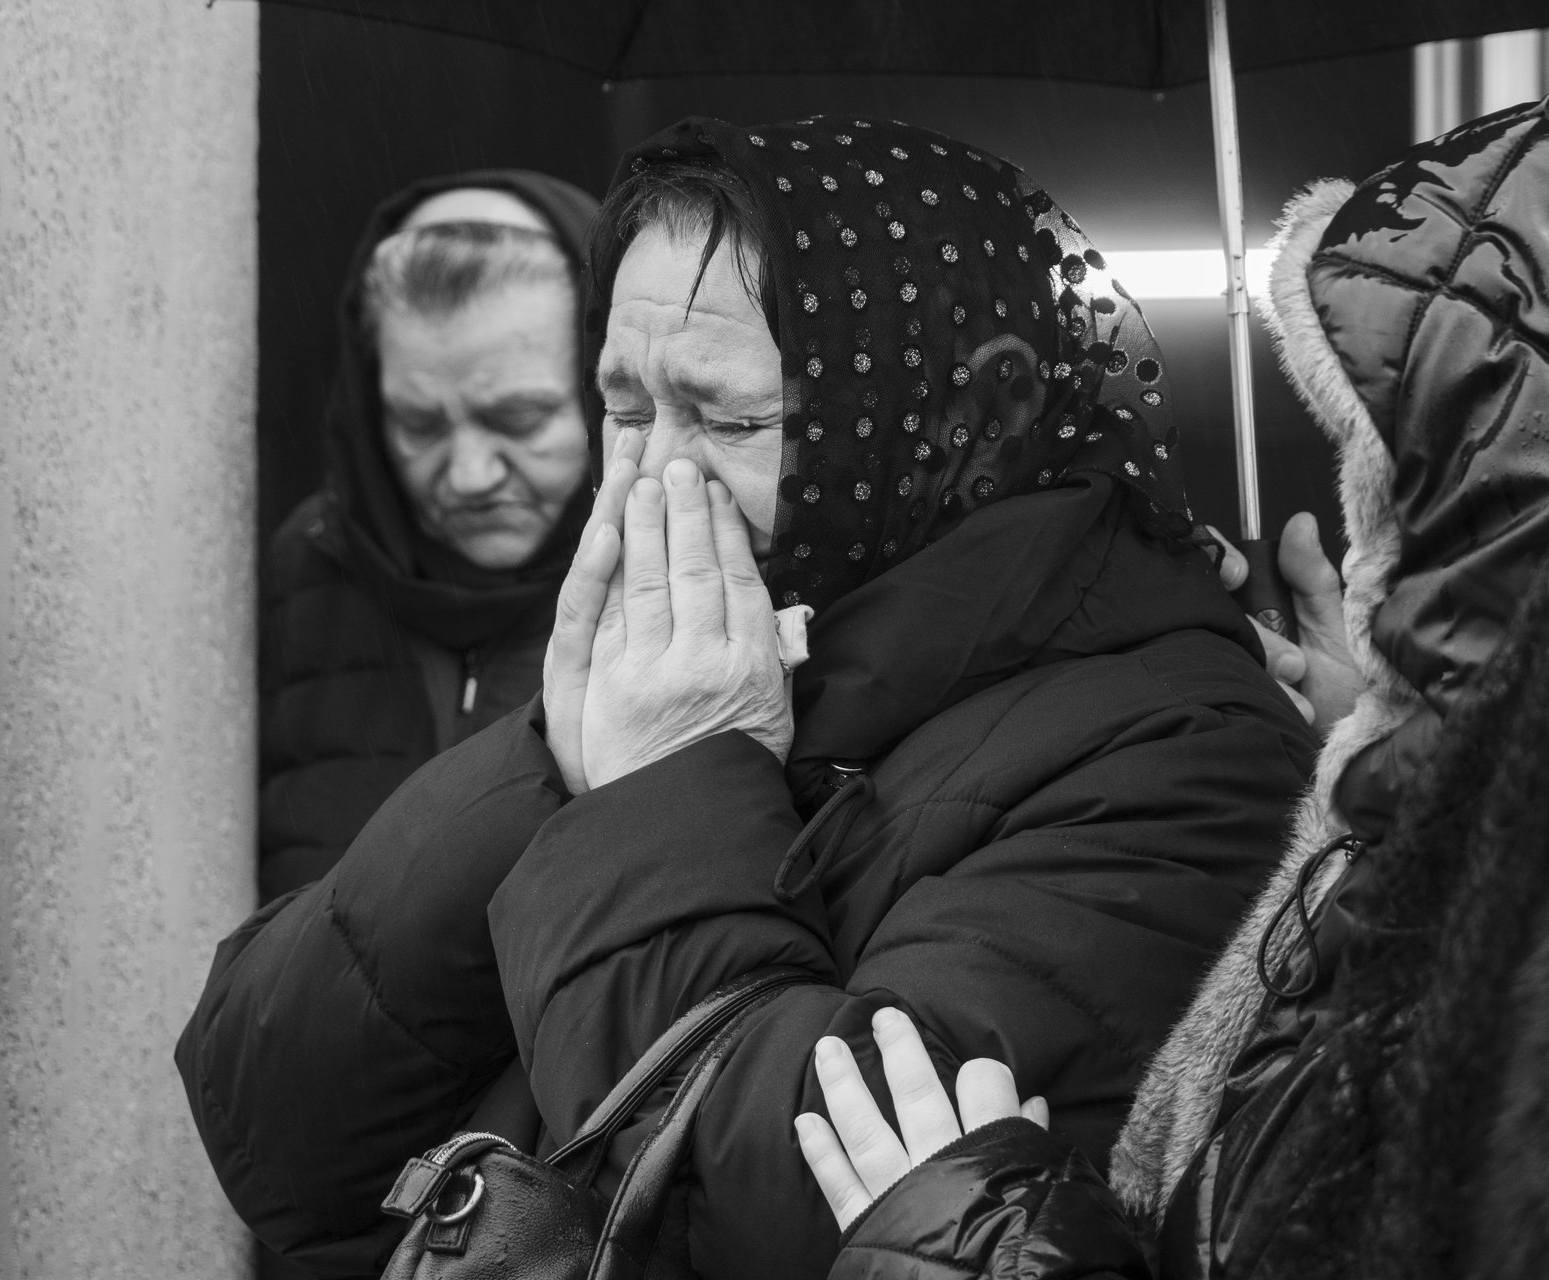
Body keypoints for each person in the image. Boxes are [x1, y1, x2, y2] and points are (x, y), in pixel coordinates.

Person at [176, 117, 1317, 1278]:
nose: (648, 480)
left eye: (730, 420)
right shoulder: (698, 670)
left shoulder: (1184, 757)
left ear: (973, 412)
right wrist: (551, 763)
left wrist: (663, 791)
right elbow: (274, 1132)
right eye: (626, 410)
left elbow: (795, 1227)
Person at [789, 21, 1549, 1280]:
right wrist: (1399, 743)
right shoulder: (1491, 831)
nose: (1370, 541)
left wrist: (974, 1240)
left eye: (1406, 488)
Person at [259, 171, 599, 901]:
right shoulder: (310, 566)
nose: (470, 475)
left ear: (610, 390)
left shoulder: (693, 579)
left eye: (518, 420)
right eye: (419, 425)